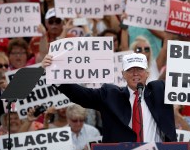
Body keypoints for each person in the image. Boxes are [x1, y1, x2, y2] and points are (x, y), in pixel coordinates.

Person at [42, 52, 177, 143]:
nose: (135, 73)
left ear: (147, 73)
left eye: (140, 69)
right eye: (130, 70)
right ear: (123, 74)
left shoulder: (160, 90)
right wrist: (54, 72)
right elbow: (80, 95)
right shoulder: (110, 95)